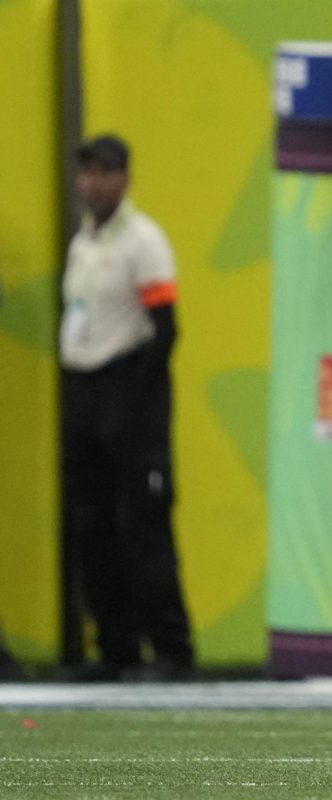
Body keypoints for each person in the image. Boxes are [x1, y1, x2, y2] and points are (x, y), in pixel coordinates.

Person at [59, 134, 194, 681]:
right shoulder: (84, 243)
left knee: (142, 526)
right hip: (84, 388)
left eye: (104, 173)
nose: (93, 183)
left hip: (130, 390)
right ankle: (115, 648)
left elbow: (164, 331)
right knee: (91, 525)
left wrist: (129, 404)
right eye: (87, 172)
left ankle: (171, 648)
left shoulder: (143, 242)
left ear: (125, 178)